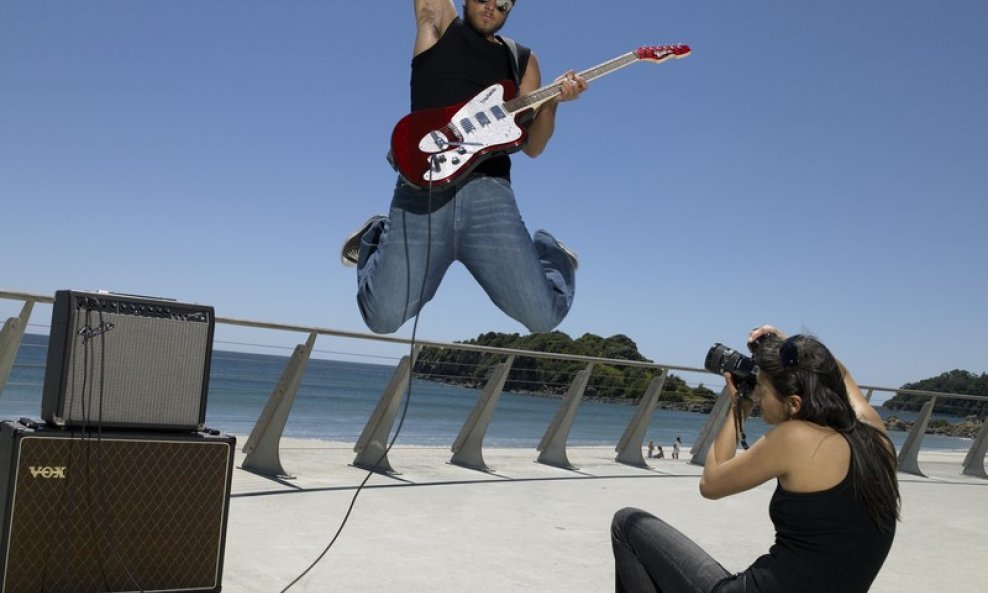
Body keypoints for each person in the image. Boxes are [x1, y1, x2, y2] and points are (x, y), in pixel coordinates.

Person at [341, 0, 588, 334]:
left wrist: (554, 103)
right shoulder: (439, 24)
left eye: (503, 5)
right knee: (381, 318)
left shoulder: (523, 60)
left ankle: (549, 251)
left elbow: (534, 148)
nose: (492, 7)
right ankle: (376, 236)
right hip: (422, 191)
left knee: (544, 317)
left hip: (490, 194)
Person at [611, 325, 900, 593]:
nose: (758, 394)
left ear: (794, 404)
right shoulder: (875, 436)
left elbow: (710, 483)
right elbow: (842, 376)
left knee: (626, 524)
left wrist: (740, 405)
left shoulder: (797, 438)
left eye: (762, 387)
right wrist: (787, 349)